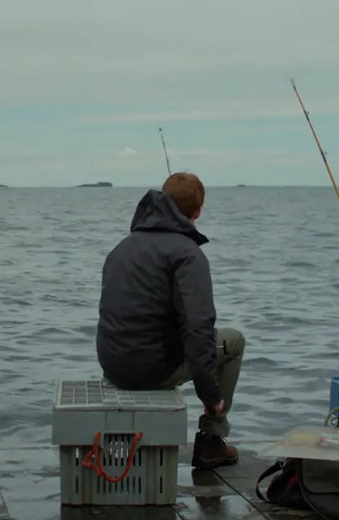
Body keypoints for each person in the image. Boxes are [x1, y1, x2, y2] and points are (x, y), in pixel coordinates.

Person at [96, 171, 244, 469]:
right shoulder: (188, 255)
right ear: (198, 212)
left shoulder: (122, 247)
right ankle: (211, 440)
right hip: (152, 370)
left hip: (112, 366)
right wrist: (211, 396)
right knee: (233, 341)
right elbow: (198, 330)